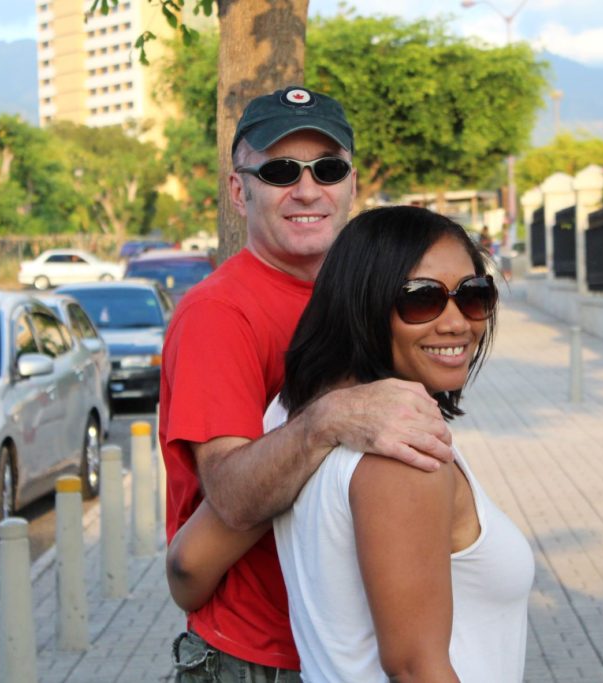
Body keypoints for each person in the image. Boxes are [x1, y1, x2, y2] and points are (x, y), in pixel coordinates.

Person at [160, 87, 454, 681]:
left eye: (328, 168)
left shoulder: (362, 294)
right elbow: (232, 497)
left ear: (350, 183)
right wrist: (329, 418)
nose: (307, 189)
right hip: (265, 658)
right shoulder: (217, 314)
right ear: (240, 191)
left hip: (358, 643)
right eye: (278, 170)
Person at [170, 205, 535, 681]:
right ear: (363, 304)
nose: (455, 323)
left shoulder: (292, 416)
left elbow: (187, 568)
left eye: (473, 295)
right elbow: (414, 668)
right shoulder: (404, 454)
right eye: (422, 299)